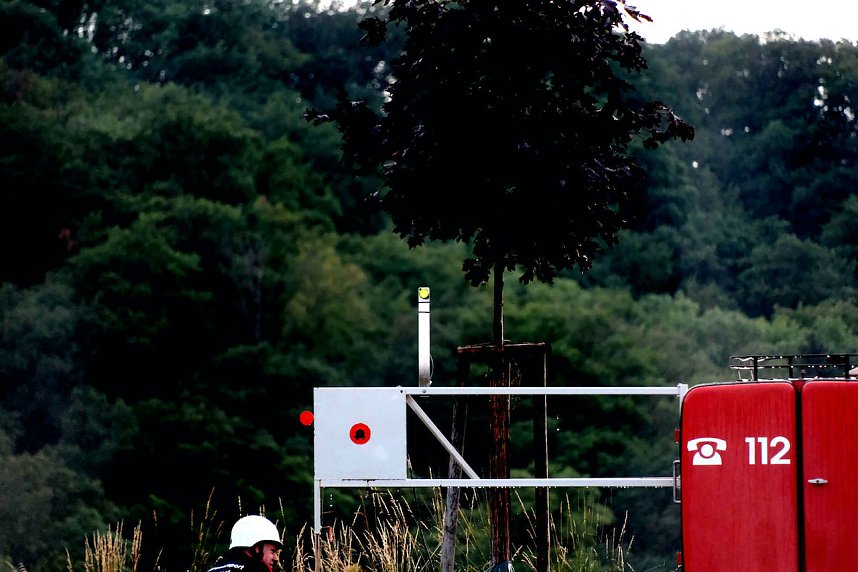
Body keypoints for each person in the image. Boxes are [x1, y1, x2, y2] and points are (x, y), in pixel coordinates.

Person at [207, 515, 284, 572]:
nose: (276, 558)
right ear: (257, 548)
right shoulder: (258, 569)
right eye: (272, 551)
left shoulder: (214, 568)